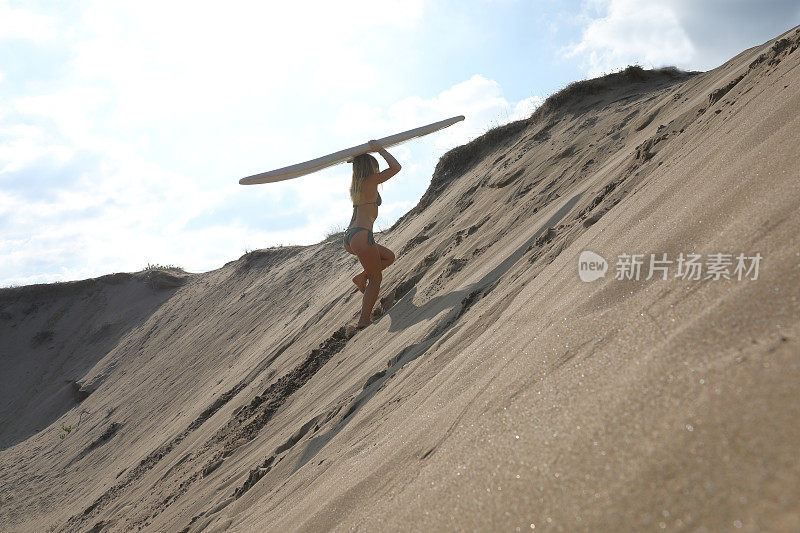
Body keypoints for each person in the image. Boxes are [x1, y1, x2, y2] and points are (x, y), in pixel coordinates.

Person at [343, 140, 401, 329]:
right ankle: (363, 320)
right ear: (370, 167)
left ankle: (362, 276)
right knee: (376, 279)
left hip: (351, 236)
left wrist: (356, 159)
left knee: (389, 257)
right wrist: (381, 150)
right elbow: (396, 167)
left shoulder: (357, 185)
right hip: (362, 236)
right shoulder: (370, 181)